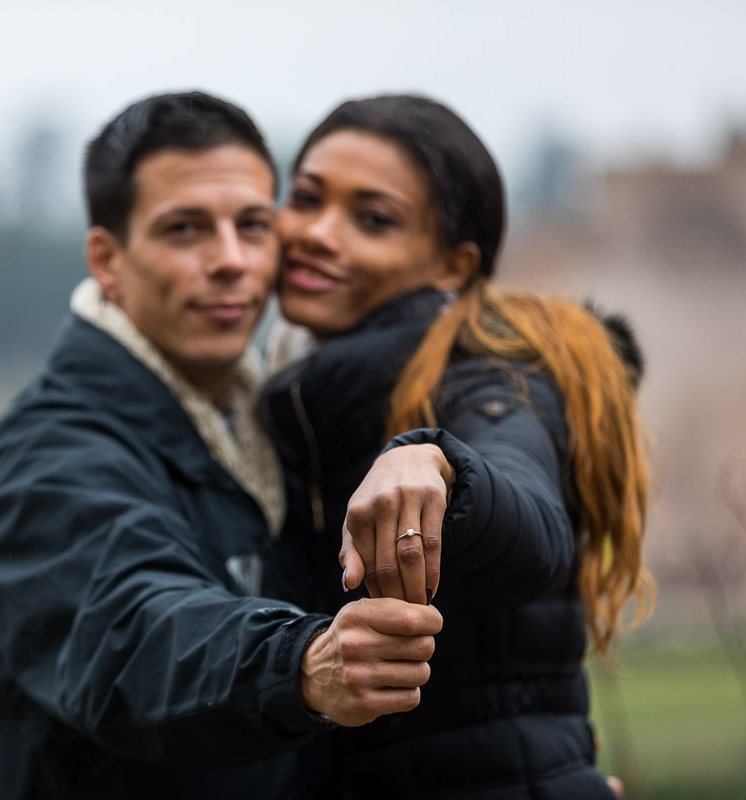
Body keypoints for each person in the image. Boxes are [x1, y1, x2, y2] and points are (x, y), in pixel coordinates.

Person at [0, 91, 443, 800]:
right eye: (186, 230)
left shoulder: (272, 431)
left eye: (252, 225)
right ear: (107, 260)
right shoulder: (37, 467)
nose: (232, 261)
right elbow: (134, 636)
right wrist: (300, 664)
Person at [258, 94, 653, 798]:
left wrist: (437, 462)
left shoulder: (489, 375)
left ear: (452, 264)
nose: (316, 232)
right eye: (307, 197)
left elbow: (533, 527)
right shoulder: (303, 396)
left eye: (372, 220)